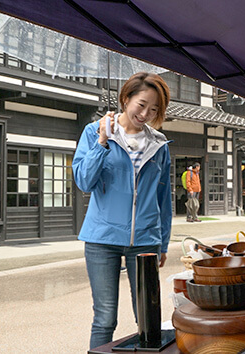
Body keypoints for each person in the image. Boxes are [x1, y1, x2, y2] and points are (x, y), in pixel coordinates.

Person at [72, 72, 171, 349]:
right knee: (104, 319)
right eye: (141, 104)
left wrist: (163, 242)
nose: (146, 113)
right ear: (126, 98)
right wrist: (102, 142)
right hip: (102, 240)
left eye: (154, 109)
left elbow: (163, 198)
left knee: (148, 318)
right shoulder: (94, 132)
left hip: (145, 240)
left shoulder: (159, 144)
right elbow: (84, 181)